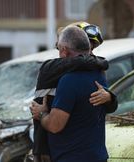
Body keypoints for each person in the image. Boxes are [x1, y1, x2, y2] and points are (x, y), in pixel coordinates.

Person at [31, 26, 110, 162]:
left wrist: (41, 114)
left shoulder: (68, 80)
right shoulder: (99, 73)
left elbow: (55, 125)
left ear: (64, 51)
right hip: (97, 156)